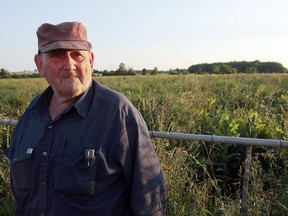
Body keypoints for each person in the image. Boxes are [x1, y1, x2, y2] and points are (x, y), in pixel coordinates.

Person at [5, 21, 166, 216]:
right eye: (57, 56)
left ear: (90, 61)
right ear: (40, 65)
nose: (69, 65)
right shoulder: (32, 114)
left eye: (77, 55)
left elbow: (149, 201)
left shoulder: (118, 113)